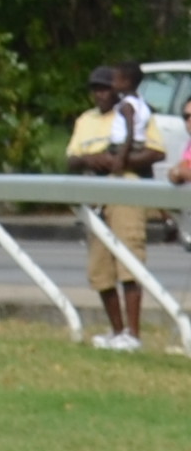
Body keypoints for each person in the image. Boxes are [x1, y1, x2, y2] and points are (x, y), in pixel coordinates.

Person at [67, 62, 158, 347]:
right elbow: (71, 158)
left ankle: (134, 333)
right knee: (100, 268)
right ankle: (116, 331)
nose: (101, 94)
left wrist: (118, 163)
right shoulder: (86, 120)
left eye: (106, 87)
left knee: (129, 262)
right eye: (96, 88)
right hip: (96, 195)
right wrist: (90, 160)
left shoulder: (134, 110)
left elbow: (155, 151)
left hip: (126, 191)